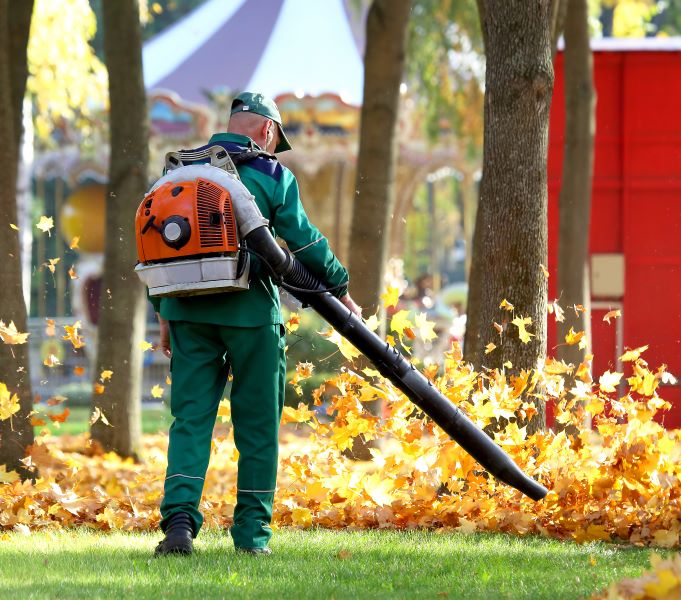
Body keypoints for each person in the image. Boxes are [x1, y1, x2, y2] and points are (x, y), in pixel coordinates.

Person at [150, 92, 361, 556]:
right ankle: (251, 536)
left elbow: (158, 246)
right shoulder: (270, 172)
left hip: (186, 312)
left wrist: (162, 313)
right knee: (258, 426)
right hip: (250, 317)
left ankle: (179, 524)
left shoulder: (177, 173)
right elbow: (302, 243)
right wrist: (339, 287)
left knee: (190, 421)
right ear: (268, 131)